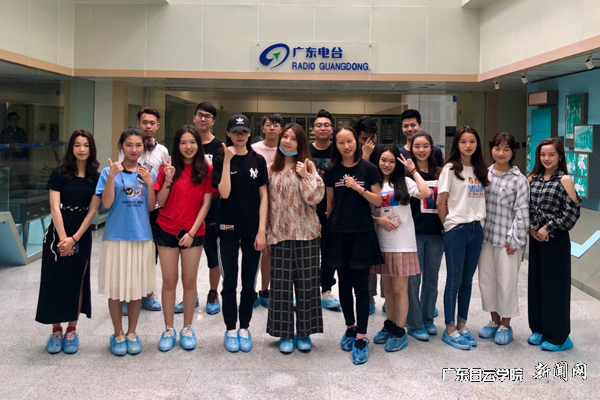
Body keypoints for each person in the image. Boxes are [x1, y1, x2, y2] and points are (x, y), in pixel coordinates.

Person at [35, 130, 101, 354]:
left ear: (91, 149)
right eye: (77, 145)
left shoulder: (95, 177)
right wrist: (64, 239)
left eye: (86, 145)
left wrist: (75, 239)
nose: (82, 149)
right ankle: (56, 330)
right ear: (71, 147)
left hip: (81, 235)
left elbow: (92, 211)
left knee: (77, 281)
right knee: (55, 281)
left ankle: (72, 330)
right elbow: (55, 207)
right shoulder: (59, 174)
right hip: (57, 235)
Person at [323, 126, 383, 365]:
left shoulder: (368, 168)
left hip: (362, 233)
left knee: (361, 287)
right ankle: (350, 328)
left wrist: (359, 188)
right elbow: (330, 204)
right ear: (335, 145)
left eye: (349, 141)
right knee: (344, 285)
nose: (346, 146)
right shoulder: (332, 171)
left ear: (356, 142)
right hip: (338, 233)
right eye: (341, 142)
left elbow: (378, 200)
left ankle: (361, 337)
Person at [96, 128, 157, 356]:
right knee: (116, 288)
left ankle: (132, 333)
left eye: (138, 145)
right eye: (129, 145)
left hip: (141, 236)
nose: (134, 149)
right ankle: (118, 333)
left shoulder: (146, 172)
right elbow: (106, 204)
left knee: (136, 289)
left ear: (144, 147)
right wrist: (112, 177)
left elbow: (151, 207)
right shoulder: (108, 172)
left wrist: (149, 183)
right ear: (120, 146)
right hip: (116, 237)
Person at [266, 123, 325, 353]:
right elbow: (265, 203)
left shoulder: (308, 167)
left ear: (300, 144)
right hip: (279, 234)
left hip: (307, 234)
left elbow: (314, 198)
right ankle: (284, 333)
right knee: (280, 287)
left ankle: (304, 332)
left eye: (293, 138)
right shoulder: (271, 169)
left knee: (307, 285)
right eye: (285, 137)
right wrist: (266, 232)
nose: (287, 141)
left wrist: (305, 176)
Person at [154, 125, 214, 352]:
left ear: (198, 144)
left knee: (190, 282)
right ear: (177, 145)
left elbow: (206, 204)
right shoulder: (167, 168)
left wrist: (191, 233)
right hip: (166, 229)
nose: (188, 147)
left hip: (193, 233)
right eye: (183, 142)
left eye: (192, 142)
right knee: (169, 282)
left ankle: (187, 328)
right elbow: (160, 201)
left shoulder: (206, 170)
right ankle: (169, 329)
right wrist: (168, 179)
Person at [213, 114, 268, 353]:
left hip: (252, 229)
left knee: (248, 281)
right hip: (227, 227)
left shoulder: (258, 160)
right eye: (235, 131)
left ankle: (244, 327)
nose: (240, 135)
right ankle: (230, 328)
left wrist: (262, 230)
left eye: (244, 131)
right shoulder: (220, 159)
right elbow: (224, 193)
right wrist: (227, 161)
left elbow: (264, 196)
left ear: (249, 133)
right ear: (228, 133)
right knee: (230, 281)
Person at [371, 146, 430, 352]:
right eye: (383, 160)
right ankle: (389, 324)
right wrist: (379, 220)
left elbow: (426, 192)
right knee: (388, 288)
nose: (387, 164)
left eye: (391, 161)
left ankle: (399, 330)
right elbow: (365, 213)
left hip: (403, 243)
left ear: (397, 163)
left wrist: (413, 170)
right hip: (382, 243)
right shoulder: (375, 184)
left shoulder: (405, 182)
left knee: (399, 289)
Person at [436, 125, 489, 350]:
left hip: (477, 229)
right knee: (454, 281)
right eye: (463, 141)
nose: (468, 145)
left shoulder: (480, 170)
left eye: (472, 141)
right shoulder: (450, 169)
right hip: (457, 229)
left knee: (467, 281)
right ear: (456, 144)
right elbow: (441, 202)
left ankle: (462, 324)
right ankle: (449, 329)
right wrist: (448, 226)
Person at [527, 137, 580, 351]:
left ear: (560, 156)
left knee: (555, 288)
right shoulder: (533, 179)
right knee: (537, 285)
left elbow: (572, 212)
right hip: (535, 239)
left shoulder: (564, 179)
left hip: (556, 240)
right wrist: (532, 229)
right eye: (542, 154)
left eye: (551, 154)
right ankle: (539, 329)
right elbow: (526, 208)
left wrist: (547, 228)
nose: (546, 158)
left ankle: (558, 337)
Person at [477, 132, 529, 345]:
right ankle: (494, 321)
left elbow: (522, 212)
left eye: (506, 149)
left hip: (507, 241)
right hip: (485, 238)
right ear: (491, 149)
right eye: (497, 148)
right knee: (487, 282)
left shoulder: (519, 180)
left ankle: (505, 325)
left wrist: (514, 240)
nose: (501, 153)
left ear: (513, 152)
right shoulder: (484, 174)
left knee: (506, 283)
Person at [119, 107, 167, 314]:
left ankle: (147, 293)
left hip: (153, 208)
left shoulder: (162, 151)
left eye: (152, 123)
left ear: (157, 126)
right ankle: (127, 295)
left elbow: (165, 178)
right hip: (132, 206)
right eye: (144, 122)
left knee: (150, 252)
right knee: (129, 251)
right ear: (138, 123)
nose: (148, 126)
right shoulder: (127, 146)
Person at [404, 131, 444, 341]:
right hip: (414, 232)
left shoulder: (441, 172)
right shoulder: (406, 173)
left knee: (432, 279)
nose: (421, 150)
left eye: (425, 146)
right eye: (417, 146)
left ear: (432, 148)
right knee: (414, 280)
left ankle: (428, 319)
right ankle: (414, 323)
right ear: (411, 149)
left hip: (437, 233)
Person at [187, 101, 223, 315]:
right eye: (200, 115)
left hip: (213, 209)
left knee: (213, 256)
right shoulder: (186, 142)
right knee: (188, 256)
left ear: (213, 121)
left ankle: (213, 292)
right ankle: (190, 295)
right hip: (188, 208)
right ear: (194, 117)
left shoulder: (219, 146)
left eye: (207, 116)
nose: (203, 118)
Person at [354, 115, 387, 314]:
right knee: (366, 256)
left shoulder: (382, 151)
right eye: (364, 138)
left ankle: (388, 297)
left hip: (384, 204)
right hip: (362, 206)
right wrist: (365, 156)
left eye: (372, 138)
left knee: (387, 252)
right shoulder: (352, 152)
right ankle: (368, 296)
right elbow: (357, 179)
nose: (368, 142)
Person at [308, 109, 341, 310]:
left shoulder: (338, 151)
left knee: (329, 251)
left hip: (332, 209)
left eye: (327, 125)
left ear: (332, 129)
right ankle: (308, 289)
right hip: (308, 209)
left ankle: (326, 289)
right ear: (312, 129)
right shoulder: (304, 151)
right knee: (308, 252)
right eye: (319, 125)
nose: (323, 128)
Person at [252, 113, 283, 308]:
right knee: (258, 250)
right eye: (269, 124)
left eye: (276, 125)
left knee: (274, 252)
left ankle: (270, 290)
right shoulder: (253, 149)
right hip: (257, 204)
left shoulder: (286, 148)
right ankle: (255, 290)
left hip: (281, 207)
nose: (272, 128)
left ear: (281, 129)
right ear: (263, 128)